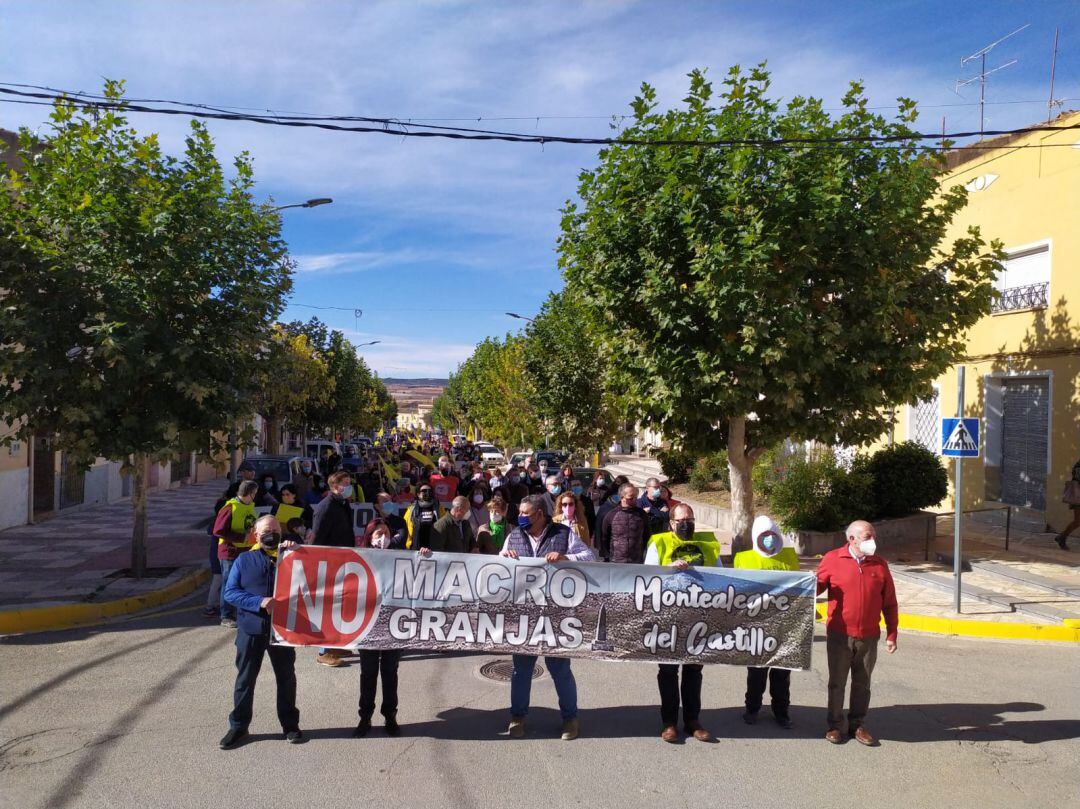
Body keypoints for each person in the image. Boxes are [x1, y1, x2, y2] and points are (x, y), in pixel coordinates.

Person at [499, 495, 594, 740]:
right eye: (519, 512)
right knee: (521, 670)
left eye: (526, 513)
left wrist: (566, 558)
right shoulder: (514, 535)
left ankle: (570, 719)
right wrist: (505, 557)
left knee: (560, 669)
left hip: (556, 615)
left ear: (540, 514)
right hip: (524, 615)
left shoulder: (563, 533)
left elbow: (589, 557)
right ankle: (517, 717)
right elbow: (498, 565)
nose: (521, 517)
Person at [219, 515, 302, 748]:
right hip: (251, 631)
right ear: (256, 534)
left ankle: (290, 725)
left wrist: (299, 550)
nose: (272, 533)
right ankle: (238, 727)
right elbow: (230, 593)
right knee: (245, 680)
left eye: (276, 529)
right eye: (266, 529)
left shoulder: (292, 558)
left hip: (282, 631)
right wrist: (259, 602)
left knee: (286, 679)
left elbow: (315, 576)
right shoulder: (244, 560)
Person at [641, 503, 718, 743]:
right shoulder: (660, 542)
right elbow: (647, 575)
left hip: (698, 616)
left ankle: (693, 720)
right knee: (668, 670)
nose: (686, 524)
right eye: (681, 520)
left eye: (690, 519)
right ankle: (669, 722)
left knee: (694, 670)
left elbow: (721, 575)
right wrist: (668, 569)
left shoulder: (708, 544)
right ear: (671, 523)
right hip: (668, 617)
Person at [817, 520, 898, 746]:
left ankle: (857, 725)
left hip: (869, 635)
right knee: (837, 682)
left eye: (873, 536)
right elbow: (815, 587)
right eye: (867, 537)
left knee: (862, 683)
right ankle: (834, 725)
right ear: (851, 539)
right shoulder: (833, 559)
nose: (872, 541)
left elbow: (890, 602)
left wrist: (892, 633)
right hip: (839, 634)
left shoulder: (880, 565)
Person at [734, 516, 800, 729]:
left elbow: (799, 588)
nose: (769, 539)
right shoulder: (744, 559)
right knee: (757, 673)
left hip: (784, 625)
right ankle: (752, 709)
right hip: (757, 626)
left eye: (772, 535)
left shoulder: (789, 558)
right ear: (756, 537)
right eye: (764, 536)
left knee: (782, 673)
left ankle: (781, 712)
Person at [353, 519, 405, 737]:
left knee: (390, 671)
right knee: (368, 672)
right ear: (369, 536)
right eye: (377, 534)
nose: (382, 537)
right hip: (368, 624)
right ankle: (365, 717)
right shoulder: (359, 556)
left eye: (385, 533)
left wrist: (424, 554)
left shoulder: (402, 556)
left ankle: (390, 715)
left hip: (393, 622)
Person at [310, 470, 357, 668]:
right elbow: (317, 538)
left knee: (339, 605)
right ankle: (324, 650)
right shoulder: (326, 507)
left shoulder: (343, 504)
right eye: (345, 483)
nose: (349, 486)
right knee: (328, 607)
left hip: (343, 561)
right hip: (329, 564)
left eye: (349, 482)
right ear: (335, 487)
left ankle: (334, 644)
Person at [212, 480, 260, 628]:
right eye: (255, 493)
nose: (255, 496)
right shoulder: (230, 508)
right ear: (250, 493)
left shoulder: (249, 506)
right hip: (230, 552)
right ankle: (226, 616)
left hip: (245, 550)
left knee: (243, 583)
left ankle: (239, 612)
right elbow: (218, 531)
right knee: (229, 583)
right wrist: (241, 537)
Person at [599, 482, 650, 564]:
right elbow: (605, 537)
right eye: (630, 498)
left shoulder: (642, 514)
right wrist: (609, 556)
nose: (634, 500)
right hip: (616, 561)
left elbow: (647, 535)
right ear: (622, 497)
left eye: (635, 497)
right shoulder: (611, 515)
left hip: (637, 561)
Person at [404, 485, 444, 550]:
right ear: (418, 494)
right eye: (424, 491)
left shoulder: (439, 508)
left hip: (434, 548)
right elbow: (406, 527)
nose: (427, 492)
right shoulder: (411, 509)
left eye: (430, 491)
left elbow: (443, 526)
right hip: (415, 546)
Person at [1054, 458, 1080, 550]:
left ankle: (1062, 537)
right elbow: (1077, 478)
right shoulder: (1079, 465)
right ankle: (1062, 537)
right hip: (1078, 496)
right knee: (1078, 521)